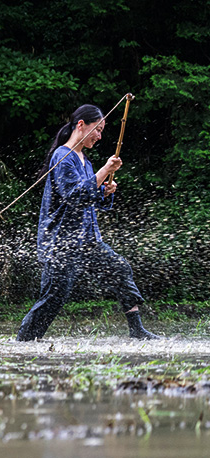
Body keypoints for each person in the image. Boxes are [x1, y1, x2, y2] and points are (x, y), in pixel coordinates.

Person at [17, 104, 157, 342]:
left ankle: (137, 330)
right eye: (98, 129)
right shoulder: (62, 156)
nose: (100, 136)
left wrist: (104, 192)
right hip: (60, 242)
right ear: (81, 125)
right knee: (55, 295)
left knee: (119, 268)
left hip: (88, 240)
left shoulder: (86, 162)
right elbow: (74, 196)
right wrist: (104, 171)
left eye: (103, 131)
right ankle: (25, 340)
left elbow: (90, 200)